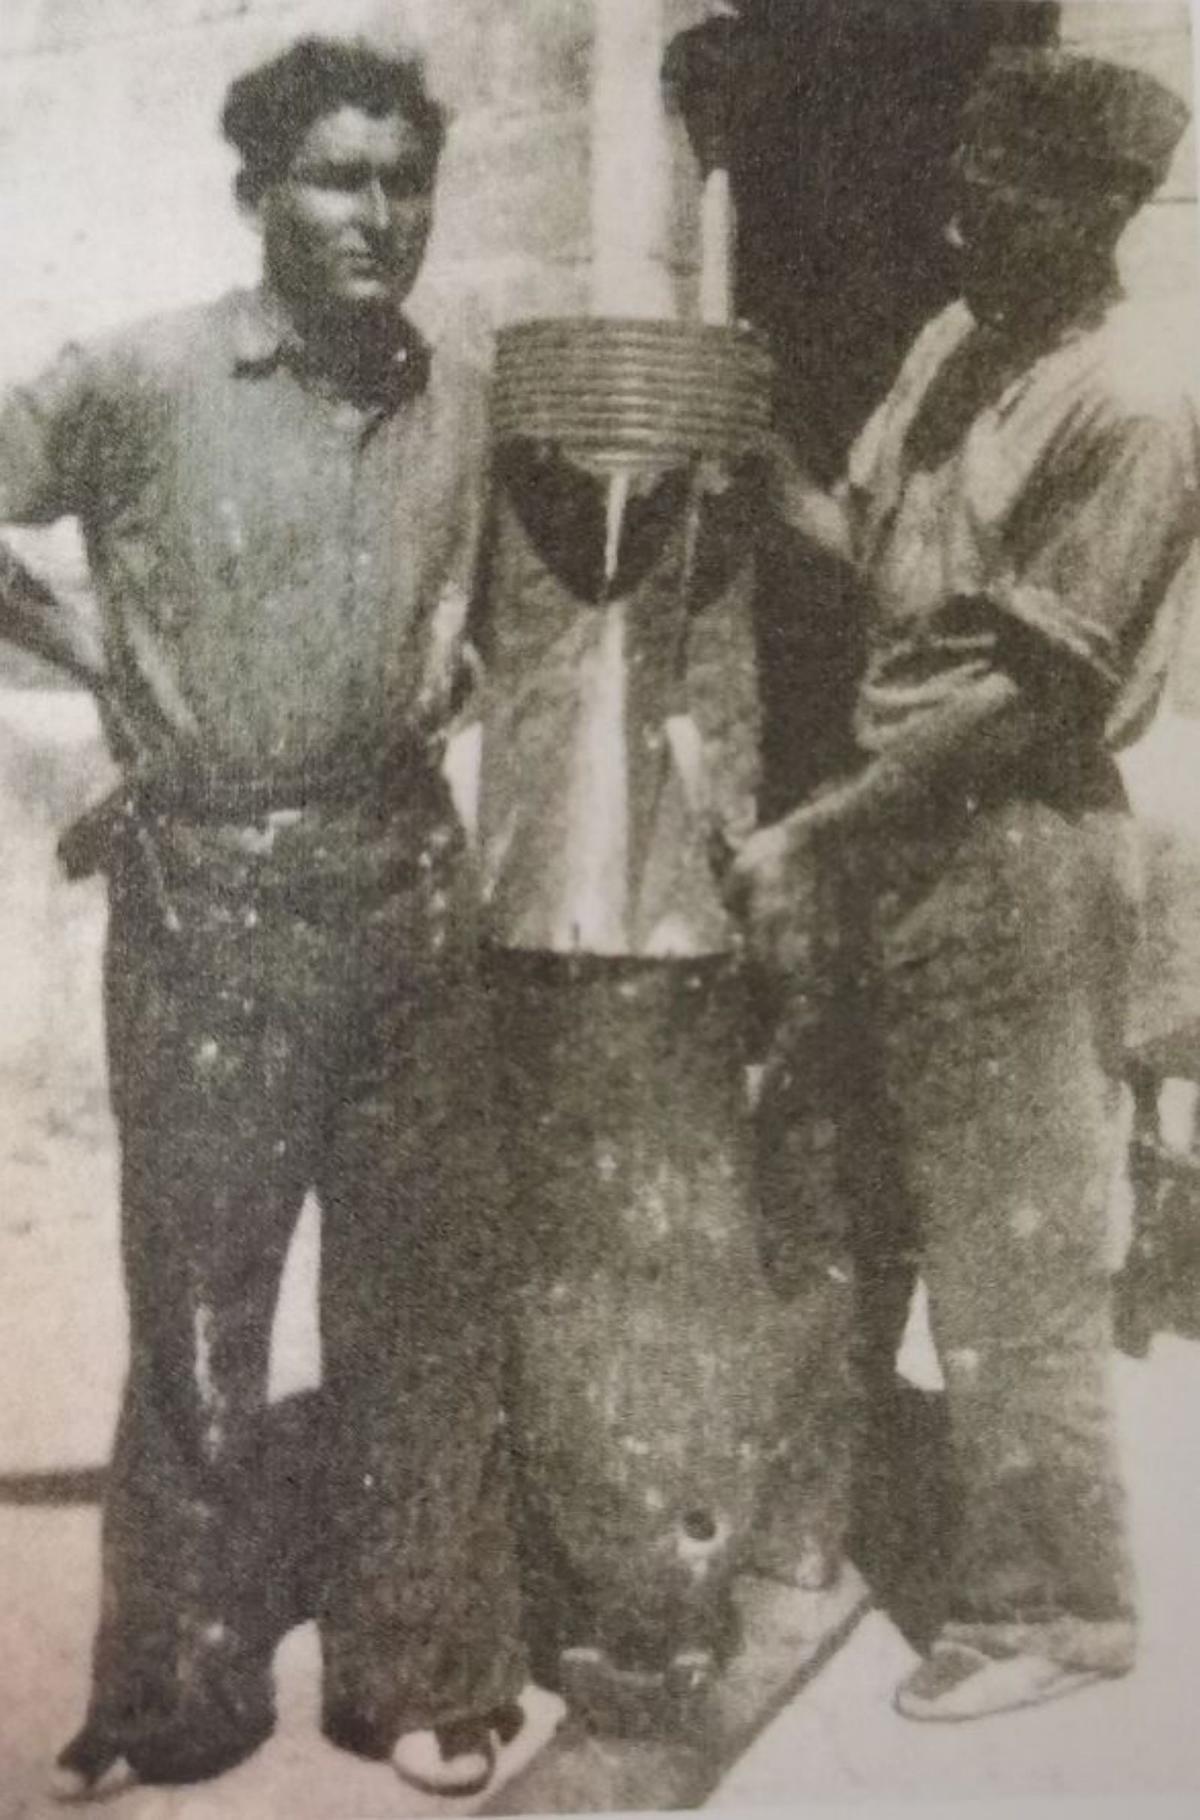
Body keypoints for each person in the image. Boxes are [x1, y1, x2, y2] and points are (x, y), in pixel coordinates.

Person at [0, 35, 526, 1797]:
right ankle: (174, 1694)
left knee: (421, 1309)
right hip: (207, 902)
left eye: (403, 182)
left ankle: (429, 1672)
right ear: (257, 194)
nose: (379, 216)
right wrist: (88, 655)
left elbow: (503, 607)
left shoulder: (462, 393)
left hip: (407, 891)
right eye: (336, 177)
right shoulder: (144, 379)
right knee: (204, 1319)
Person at [731, 48, 1199, 1720]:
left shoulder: (1135, 401)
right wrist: (747, 450)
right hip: (893, 833)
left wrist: (817, 828)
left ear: (1100, 217)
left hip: (1014, 844)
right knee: (827, 1181)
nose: (958, 226)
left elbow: (1027, 697)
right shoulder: (956, 344)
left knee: (1013, 1245)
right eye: (960, 190)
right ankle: (809, 1528)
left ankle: (1055, 1609)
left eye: (999, 206)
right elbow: (873, 557)